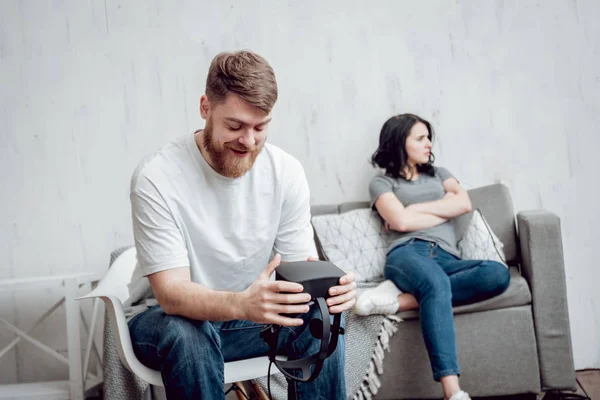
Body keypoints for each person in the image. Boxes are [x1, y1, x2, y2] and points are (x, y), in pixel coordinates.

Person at [126, 50, 356, 400]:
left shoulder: (286, 172)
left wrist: (331, 292)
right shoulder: (157, 177)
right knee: (187, 332)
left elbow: (300, 274)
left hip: (246, 323)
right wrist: (242, 304)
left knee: (318, 320)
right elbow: (171, 294)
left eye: (260, 127)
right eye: (235, 126)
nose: (248, 142)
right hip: (164, 323)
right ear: (206, 107)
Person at [354, 113, 510, 400]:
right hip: (407, 253)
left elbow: (463, 203)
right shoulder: (382, 183)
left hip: (448, 257)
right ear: (401, 142)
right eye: (420, 138)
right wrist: (435, 209)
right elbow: (400, 224)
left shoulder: (440, 173)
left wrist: (413, 211)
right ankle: (453, 392)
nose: (428, 144)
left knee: (498, 274)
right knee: (435, 283)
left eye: (428, 137)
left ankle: (397, 300)